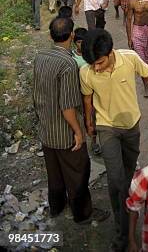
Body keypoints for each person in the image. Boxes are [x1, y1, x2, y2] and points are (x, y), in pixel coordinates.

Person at [80, 29, 148, 252]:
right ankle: (122, 233)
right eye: (92, 64)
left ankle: (130, 207)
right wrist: (90, 124)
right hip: (107, 127)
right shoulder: (86, 72)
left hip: (131, 127)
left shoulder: (129, 58)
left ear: (110, 53)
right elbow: (88, 99)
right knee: (116, 180)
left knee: (128, 177)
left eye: (99, 62)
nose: (96, 68)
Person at [33, 17, 109, 225]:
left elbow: (36, 92)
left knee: (55, 173)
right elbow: (67, 107)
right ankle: (83, 213)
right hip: (64, 132)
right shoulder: (67, 64)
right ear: (73, 35)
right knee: (78, 172)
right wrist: (78, 131)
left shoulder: (41, 57)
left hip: (46, 128)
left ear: (51, 36)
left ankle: (56, 207)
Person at [72, 28, 101, 156]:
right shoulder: (72, 58)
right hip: (78, 93)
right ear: (74, 43)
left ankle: (94, 141)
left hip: (92, 93)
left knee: (93, 117)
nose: (81, 45)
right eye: (78, 42)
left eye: (83, 42)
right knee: (82, 117)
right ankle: (81, 138)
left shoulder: (91, 56)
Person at [126, 0, 148, 97]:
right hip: (137, 30)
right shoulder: (132, 2)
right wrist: (129, 38)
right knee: (141, 59)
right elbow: (128, 20)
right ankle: (146, 86)